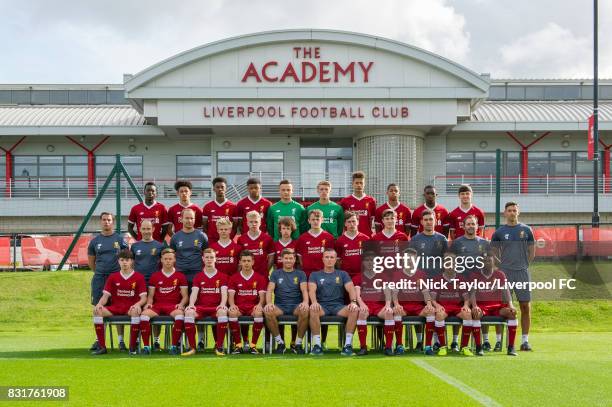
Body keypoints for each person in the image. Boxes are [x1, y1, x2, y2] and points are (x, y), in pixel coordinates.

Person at [491, 202, 535, 351]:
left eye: (514, 210)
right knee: (503, 307)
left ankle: (525, 341)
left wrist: (523, 265)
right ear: (505, 213)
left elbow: (531, 252)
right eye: (509, 210)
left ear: (518, 212)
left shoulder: (527, 230)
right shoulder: (499, 232)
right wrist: (501, 267)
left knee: (525, 306)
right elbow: (494, 253)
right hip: (505, 274)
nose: (512, 212)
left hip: (522, 272)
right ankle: (498, 341)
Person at [91, 249, 147, 355]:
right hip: (116, 307)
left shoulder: (139, 277)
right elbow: (105, 296)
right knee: (97, 311)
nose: (124, 262)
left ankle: (132, 347)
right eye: (122, 260)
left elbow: (143, 298)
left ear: (132, 261)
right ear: (118, 262)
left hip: (130, 308)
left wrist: (137, 304)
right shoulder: (113, 277)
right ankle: (102, 347)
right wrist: (99, 304)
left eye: (127, 260)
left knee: (135, 311)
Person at [87, 212, 128, 352]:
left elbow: (127, 258)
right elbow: (91, 262)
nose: (106, 222)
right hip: (100, 279)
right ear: (100, 222)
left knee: (117, 310)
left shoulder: (120, 240)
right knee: (99, 309)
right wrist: (100, 272)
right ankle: (100, 340)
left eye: (109, 220)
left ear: (113, 222)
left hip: (117, 280)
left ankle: (121, 340)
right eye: (104, 220)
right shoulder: (94, 241)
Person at [308, 248, 359, 356]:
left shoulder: (342, 274)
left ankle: (347, 346)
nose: (329, 260)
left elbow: (351, 288)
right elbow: (311, 290)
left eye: (332, 257)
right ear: (322, 259)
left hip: (338, 307)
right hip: (322, 306)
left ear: (336, 260)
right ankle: (317, 346)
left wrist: (353, 302)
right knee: (312, 309)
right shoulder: (315, 275)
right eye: (327, 257)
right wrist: (314, 302)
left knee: (354, 310)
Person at [139, 248, 188, 355]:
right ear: (161, 260)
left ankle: (174, 346)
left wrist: (181, 304)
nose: (168, 261)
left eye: (170, 259)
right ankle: (146, 346)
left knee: (180, 316)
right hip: (158, 306)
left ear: (174, 260)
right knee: (143, 316)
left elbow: (185, 296)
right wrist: (148, 303)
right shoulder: (155, 276)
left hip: (172, 306)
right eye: (165, 259)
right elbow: (151, 295)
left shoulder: (180, 276)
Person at [182, 248, 230, 356]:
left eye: (211, 257)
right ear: (203, 259)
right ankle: (192, 347)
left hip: (215, 307)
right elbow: (194, 292)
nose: (209, 260)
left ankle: (219, 347)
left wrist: (222, 304)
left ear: (215, 259)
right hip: (202, 307)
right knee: (189, 313)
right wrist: (191, 305)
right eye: (207, 257)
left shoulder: (223, 276)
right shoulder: (198, 276)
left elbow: (224, 292)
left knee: (222, 312)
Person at [470, 254, 519, 356]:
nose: (487, 263)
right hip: (482, 306)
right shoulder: (475, 275)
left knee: (512, 313)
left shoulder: (500, 274)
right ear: (481, 263)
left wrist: (511, 305)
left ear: (493, 262)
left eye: (489, 261)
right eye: (484, 261)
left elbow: (506, 291)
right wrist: (474, 306)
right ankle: (479, 347)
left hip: (497, 306)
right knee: (475, 314)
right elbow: (472, 293)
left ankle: (511, 347)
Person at [264, 248, 309, 354]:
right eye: (286, 258)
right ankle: (280, 343)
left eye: (291, 258)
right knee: (268, 311)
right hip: (280, 306)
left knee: (305, 311)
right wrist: (269, 303)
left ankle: (298, 344)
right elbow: (269, 290)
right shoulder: (275, 274)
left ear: (294, 260)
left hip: (295, 306)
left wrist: (306, 302)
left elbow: (304, 290)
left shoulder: (300, 274)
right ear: (281, 259)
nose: (288, 260)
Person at [392, 248, 435, 354]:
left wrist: (429, 304)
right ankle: (399, 345)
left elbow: (426, 293)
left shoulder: (421, 274)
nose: (410, 260)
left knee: (431, 311)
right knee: (397, 311)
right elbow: (394, 293)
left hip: (418, 307)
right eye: (408, 258)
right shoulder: (397, 274)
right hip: (404, 307)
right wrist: (396, 304)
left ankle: (428, 346)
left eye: (412, 258)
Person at [430, 252, 474, 356]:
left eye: (452, 263)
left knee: (467, 314)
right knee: (439, 315)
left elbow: (466, 298)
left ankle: (464, 347)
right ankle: (443, 347)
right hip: (443, 307)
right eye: (447, 263)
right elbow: (432, 299)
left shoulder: (461, 278)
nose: (450, 265)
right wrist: (437, 305)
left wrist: (466, 305)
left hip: (457, 307)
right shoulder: (437, 279)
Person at [353, 252, 394, 356]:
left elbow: (387, 292)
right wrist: (361, 304)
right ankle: (363, 347)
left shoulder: (382, 276)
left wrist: (388, 305)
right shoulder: (358, 277)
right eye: (367, 260)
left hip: (379, 306)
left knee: (389, 313)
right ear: (363, 263)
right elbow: (357, 296)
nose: (370, 262)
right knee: (361, 313)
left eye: (373, 260)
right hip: (365, 305)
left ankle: (388, 347)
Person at [228, 251, 267, 354]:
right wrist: (232, 305)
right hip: (239, 307)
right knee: (232, 313)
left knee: (259, 313)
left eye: (248, 261)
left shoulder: (260, 278)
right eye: (244, 261)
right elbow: (231, 296)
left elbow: (262, 296)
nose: (246, 263)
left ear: (253, 262)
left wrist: (259, 305)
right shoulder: (234, 278)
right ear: (240, 262)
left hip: (252, 307)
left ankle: (253, 346)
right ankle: (238, 345)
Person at [169, 208, 208, 284]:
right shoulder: (175, 237)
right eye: (187, 218)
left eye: (191, 218)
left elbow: (206, 253)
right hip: (180, 273)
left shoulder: (202, 236)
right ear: (181, 219)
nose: (189, 221)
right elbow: (171, 256)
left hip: (197, 272)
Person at [409, 210, 448, 277]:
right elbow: (411, 261)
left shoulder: (442, 238)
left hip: (438, 277)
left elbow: (447, 259)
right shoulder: (415, 239)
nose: (428, 222)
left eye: (431, 219)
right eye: (426, 220)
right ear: (422, 222)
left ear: (435, 221)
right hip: (420, 277)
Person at [295, 209, 335, 277]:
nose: (315, 222)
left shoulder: (329, 237)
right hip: (307, 274)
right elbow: (300, 258)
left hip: (324, 273)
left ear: (322, 220)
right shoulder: (302, 238)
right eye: (313, 219)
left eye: (317, 219)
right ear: (309, 221)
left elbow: (332, 257)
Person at [237, 211, 275, 280]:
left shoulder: (267, 238)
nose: (254, 224)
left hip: (262, 275)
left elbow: (271, 257)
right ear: (247, 223)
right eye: (251, 222)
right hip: (247, 275)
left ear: (260, 223)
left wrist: (266, 270)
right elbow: (240, 258)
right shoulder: (241, 239)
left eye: (256, 222)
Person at [339, 171, 376, 237]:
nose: (359, 185)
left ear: (364, 184)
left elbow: (373, 219)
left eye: (361, 183)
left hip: (367, 236)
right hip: (350, 237)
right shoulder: (345, 201)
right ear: (352, 184)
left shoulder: (371, 200)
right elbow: (341, 220)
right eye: (357, 183)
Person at [334, 211, 370, 277]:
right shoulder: (340, 241)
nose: (352, 224)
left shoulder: (366, 239)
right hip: (346, 275)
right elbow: (338, 261)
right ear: (345, 223)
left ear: (358, 222)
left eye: (353, 221)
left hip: (362, 274)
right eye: (349, 222)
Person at [202, 176, 237, 243]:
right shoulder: (207, 206)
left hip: (227, 240)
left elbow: (235, 227)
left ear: (226, 188)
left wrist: (228, 238)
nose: (220, 189)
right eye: (217, 187)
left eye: (222, 187)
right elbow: (205, 227)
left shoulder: (233, 206)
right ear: (214, 189)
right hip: (212, 241)